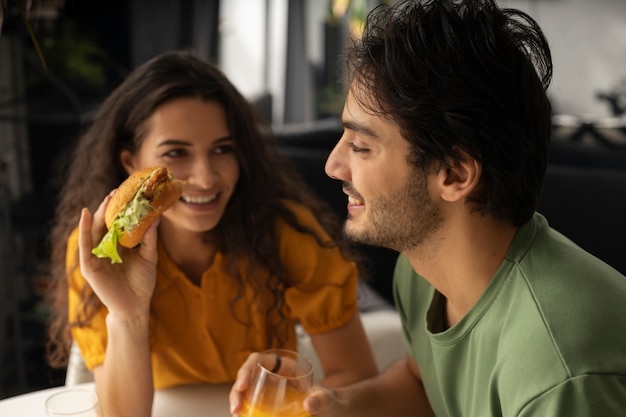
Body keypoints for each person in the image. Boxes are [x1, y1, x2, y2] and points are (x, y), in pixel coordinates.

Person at [229, 0, 626, 415]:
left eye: (361, 146)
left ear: (454, 174)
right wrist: (330, 405)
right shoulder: (423, 269)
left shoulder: (562, 373)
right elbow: (424, 385)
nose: (332, 165)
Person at [46, 50, 378, 417]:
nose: (205, 178)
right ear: (131, 163)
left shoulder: (286, 232)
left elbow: (357, 378)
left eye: (222, 149)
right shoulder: (97, 254)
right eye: (176, 153)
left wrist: (293, 379)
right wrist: (128, 314)